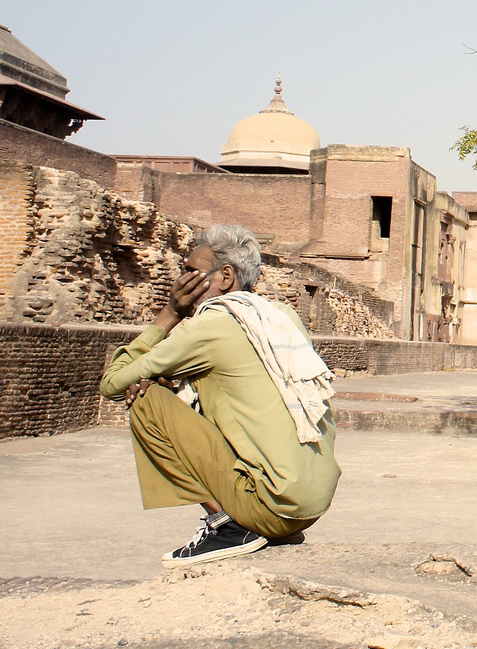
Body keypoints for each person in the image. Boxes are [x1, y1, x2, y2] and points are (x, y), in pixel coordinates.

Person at [101, 224, 340, 566]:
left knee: (147, 399)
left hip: (271, 506)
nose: (180, 281)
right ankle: (260, 522)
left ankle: (227, 527)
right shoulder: (281, 315)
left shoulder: (210, 324)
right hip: (309, 506)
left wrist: (171, 313)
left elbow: (112, 383)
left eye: (189, 272)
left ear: (225, 277)